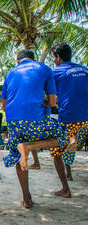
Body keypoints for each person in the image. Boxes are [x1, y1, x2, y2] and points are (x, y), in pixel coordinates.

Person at [1, 49, 70, 209]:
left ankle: (26, 199)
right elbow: (52, 102)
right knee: (64, 133)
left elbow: (4, 105)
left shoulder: (10, 72)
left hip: (13, 123)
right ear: (32, 59)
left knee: (19, 154)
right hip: (36, 122)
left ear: (18, 61)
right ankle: (29, 146)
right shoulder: (44, 68)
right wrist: (42, 101)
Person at [51, 42, 88, 181]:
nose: (53, 61)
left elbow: (51, 97)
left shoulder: (56, 72)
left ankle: (68, 175)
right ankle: (74, 138)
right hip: (86, 114)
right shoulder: (85, 69)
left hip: (69, 115)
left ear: (58, 57)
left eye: (53, 58)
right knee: (72, 136)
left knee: (57, 149)